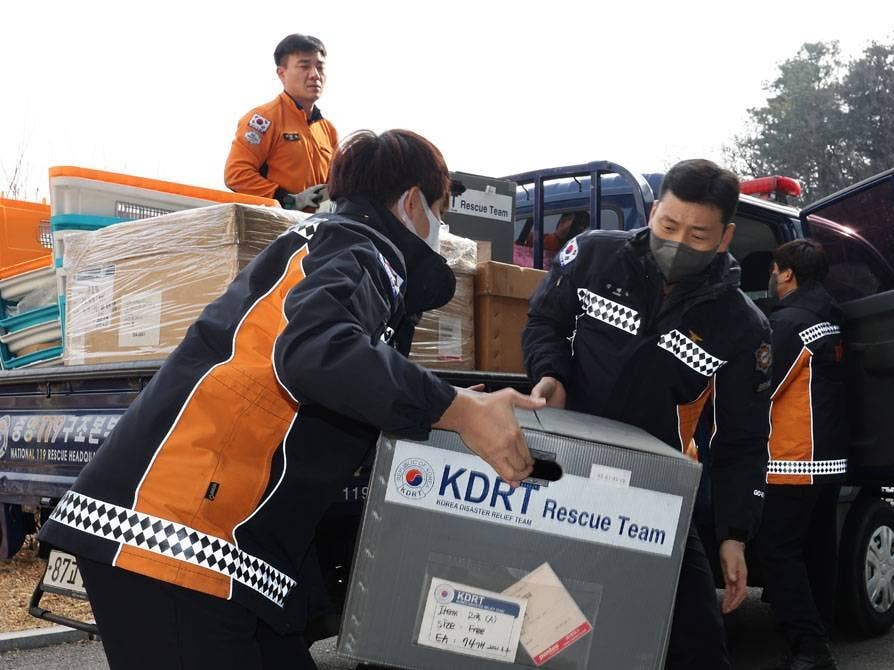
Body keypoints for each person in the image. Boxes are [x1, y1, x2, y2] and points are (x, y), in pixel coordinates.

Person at [39, 129, 542, 670]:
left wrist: (439, 400)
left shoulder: (328, 241)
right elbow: (313, 351)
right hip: (175, 540)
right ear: (413, 203)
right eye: (443, 211)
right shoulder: (364, 249)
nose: (444, 230)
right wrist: (459, 410)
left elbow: (327, 366)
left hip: (210, 546)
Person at [522, 159, 772, 669]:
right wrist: (553, 375)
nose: (678, 242)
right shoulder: (594, 255)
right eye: (668, 225)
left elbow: (743, 438)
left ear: (724, 237)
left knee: (698, 645)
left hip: (656, 494)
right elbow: (544, 322)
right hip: (559, 476)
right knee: (544, 627)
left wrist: (734, 534)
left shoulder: (741, 325)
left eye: (698, 235)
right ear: (654, 211)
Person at [756, 239, 848, 670]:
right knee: (816, 549)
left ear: (787, 273)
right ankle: (820, 632)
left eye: (775, 269)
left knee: (777, 550)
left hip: (793, 458)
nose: (772, 278)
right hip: (827, 458)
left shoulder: (789, 321)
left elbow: (764, 386)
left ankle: (810, 649)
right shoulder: (830, 316)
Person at [224, 34, 338, 211]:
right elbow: (237, 174)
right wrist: (287, 200)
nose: (315, 75)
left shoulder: (328, 130)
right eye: (304, 66)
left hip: (316, 230)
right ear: (282, 73)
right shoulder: (264, 119)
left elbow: (336, 186)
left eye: (320, 67)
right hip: (276, 230)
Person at [513, 210, 590, 269]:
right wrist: (558, 235)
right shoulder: (533, 240)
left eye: (582, 227)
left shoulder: (584, 250)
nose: (578, 229)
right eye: (566, 219)